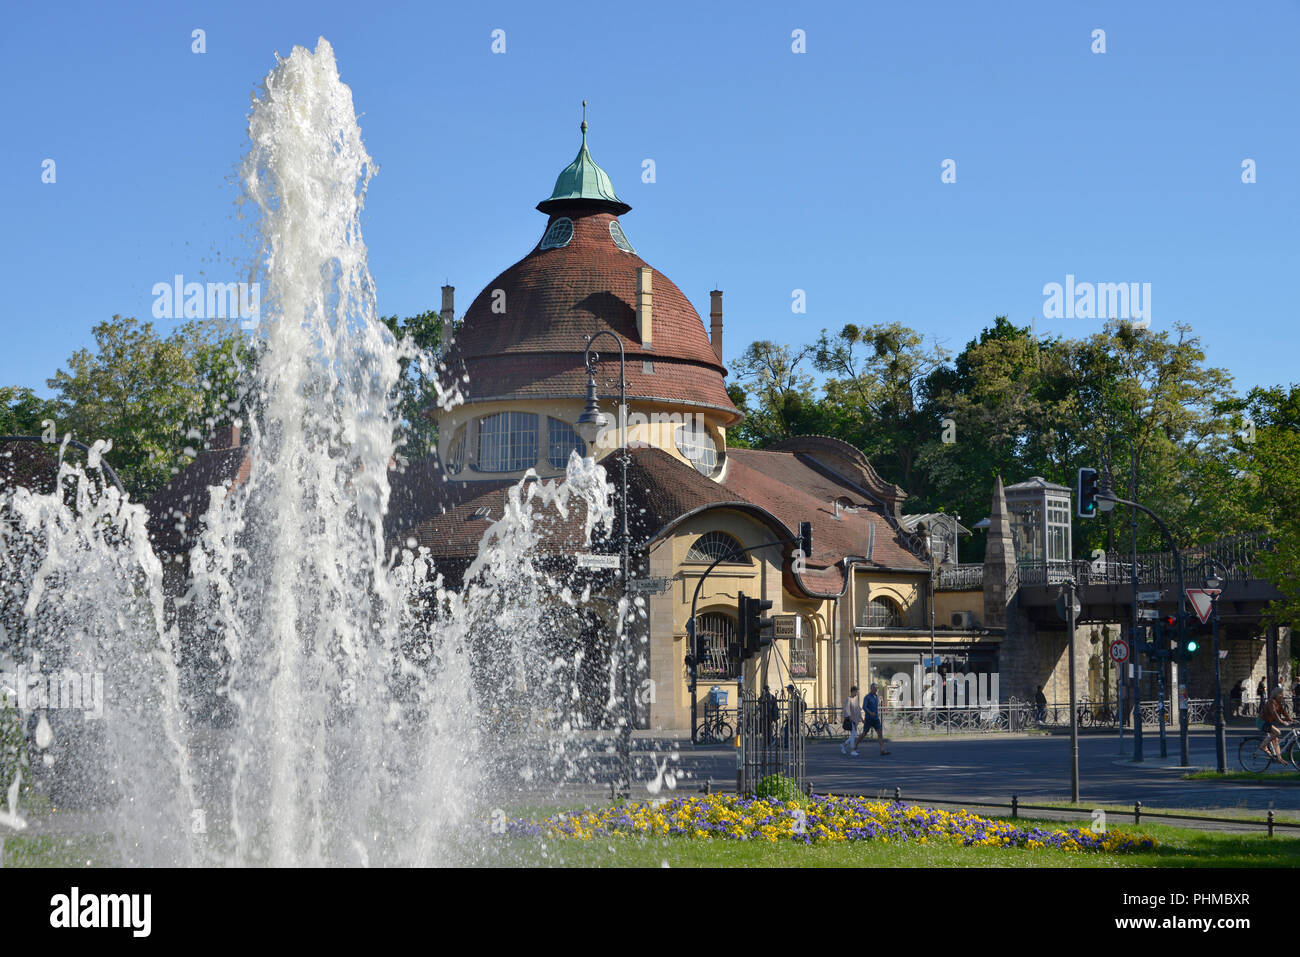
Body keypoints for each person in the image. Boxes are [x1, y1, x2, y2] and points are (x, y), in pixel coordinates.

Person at [855, 683, 890, 755]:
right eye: (875, 688)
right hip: (869, 719)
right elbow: (864, 707)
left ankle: (882, 749)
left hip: (876, 718)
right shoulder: (867, 697)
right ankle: (855, 746)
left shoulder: (876, 697)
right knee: (864, 733)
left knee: (880, 733)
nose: (876, 689)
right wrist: (870, 712)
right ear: (871, 689)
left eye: (877, 688)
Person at [1260, 687, 1292, 762]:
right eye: (1280, 694)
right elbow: (1274, 713)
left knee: (1275, 740)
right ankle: (1263, 746)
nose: (1282, 696)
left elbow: (1283, 712)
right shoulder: (1271, 702)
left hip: (1267, 722)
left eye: (1282, 694)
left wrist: (1291, 719)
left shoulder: (1278, 702)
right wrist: (1281, 721)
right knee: (1277, 732)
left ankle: (1279, 758)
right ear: (1276, 695)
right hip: (1261, 722)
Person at [841, 685, 861, 757]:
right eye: (856, 692)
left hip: (855, 720)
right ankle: (853, 750)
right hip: (851, 720)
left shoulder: (856, 699)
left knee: (854, 735)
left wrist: (861, 718)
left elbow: (858, 709)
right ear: (852, 691)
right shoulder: (848, 699)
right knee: (853, 735)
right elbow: (846, 709)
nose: (857, 694)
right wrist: (850, 719)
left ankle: (843, 745)